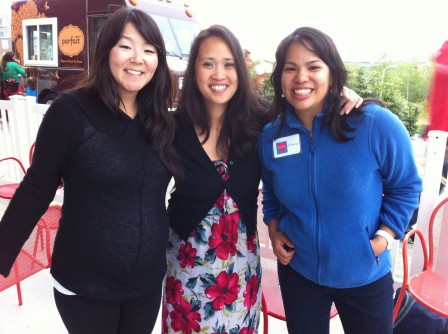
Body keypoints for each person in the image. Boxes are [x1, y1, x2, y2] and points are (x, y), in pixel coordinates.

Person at [161, 25, 363, 333]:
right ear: (194, 70)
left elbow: (307, 112)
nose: (219, 74)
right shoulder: (171, 127)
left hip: (239, 266)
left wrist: (340, 96)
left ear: (240, 71)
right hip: (185, 264)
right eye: (208, 63)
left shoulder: (262, 120)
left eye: (228, 64)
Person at [0, 7, 180, 334]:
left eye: (149, 50)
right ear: (106, 49)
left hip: (146, 283)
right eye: (126, 46)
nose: (137, 58)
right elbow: (36, 190)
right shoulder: (71, 111)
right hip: (85, 286)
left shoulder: (163, 122)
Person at [258, 27, 422, 334]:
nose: (301, 77)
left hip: (364, 273)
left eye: (313, 67)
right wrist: (274, 227)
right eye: (290, 68)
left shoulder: (374, 125)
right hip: (299, 272)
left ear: (333, 73)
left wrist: (383, 238)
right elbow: (270, 188)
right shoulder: (272, 135)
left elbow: (407, 186)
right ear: (279, 77)